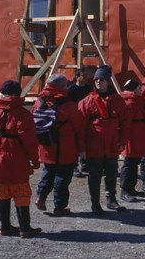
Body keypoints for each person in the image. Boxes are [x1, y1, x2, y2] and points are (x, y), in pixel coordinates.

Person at [0, 80, 42, 238]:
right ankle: (25, 228)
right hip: (17, 158)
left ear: (2, 93)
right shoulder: (23, 114)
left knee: (1, 192)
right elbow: (30, 142)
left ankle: (5, 227)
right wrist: (34, 161)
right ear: (18, 93)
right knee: (21, 192)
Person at [33, 73, 85, 217]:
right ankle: (60, 207)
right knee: (63, 177)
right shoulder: (68, 104)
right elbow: (78, 126)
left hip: (46, 144)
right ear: (62, 87)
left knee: (48, 172)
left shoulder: (39, 101)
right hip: (65, 146)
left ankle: (40, 197)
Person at [78, 65, 126, 214]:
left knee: (111, 174)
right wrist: (82, 149)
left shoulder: (118, 101)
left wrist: (122, 142)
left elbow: (125, 123)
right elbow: (80, 128)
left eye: (102, 79)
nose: (98, 81)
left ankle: (111, 200)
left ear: (107, 81)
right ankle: (95, 204)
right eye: (96, 79)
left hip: (112, 144)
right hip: (94, 145)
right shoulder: (86, 102)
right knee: (94, 176)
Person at [119, 78, 145, 202]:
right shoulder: (130, 103)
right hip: (132, 137)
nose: (141, 90)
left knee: (133, 163)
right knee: (129, 164)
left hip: (136, 136)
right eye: (139, 88)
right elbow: (126, 123)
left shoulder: (134, 101)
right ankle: (125, 190)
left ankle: (130, 188)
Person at [68, 65, 96, 178]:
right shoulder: (70, 90)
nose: (86, 78)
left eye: (87, 75)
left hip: (87, 119)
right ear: (77, 77)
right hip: (75, 119)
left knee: (87, 141)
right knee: (74, 143)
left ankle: (85, 164)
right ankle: (73, 166)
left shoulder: (89, 89)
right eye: (83, 76)